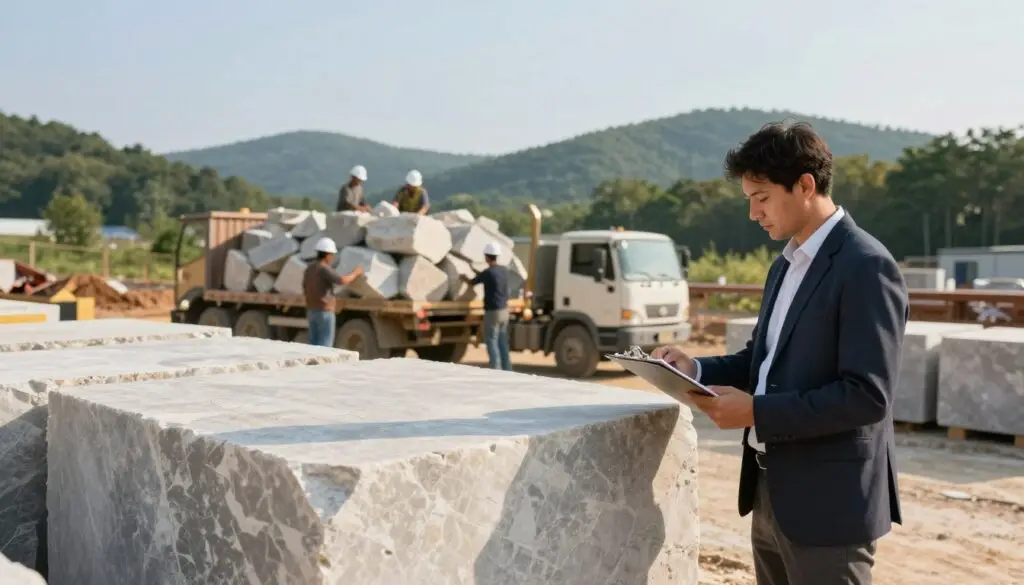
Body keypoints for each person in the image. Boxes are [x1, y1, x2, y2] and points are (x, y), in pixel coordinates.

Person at [652, 121, 909, 585]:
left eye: (762, 197)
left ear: (805, 186)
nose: (754, 213)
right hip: (771, 492)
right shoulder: (785, 265)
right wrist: (694, 367)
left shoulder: (866, 266)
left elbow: (867, 396)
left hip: (830, 505)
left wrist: (756, 412)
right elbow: (763, 360)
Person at [302, 237, 364, 347]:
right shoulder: (324, 268)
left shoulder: (309, 268)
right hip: (324, 312)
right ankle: (323, 365)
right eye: (332, 255)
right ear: (327, 255)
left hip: (311, 310)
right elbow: (341, 280)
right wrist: (355, 273)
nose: (332, 258)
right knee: (325, 346)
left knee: (313, 345)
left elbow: (304, 286)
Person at [471, 241, 511, 370]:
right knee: (503, 341)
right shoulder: (504, 270)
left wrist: (463, 278)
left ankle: (496, 369)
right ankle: (507, 369)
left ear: (487, 257)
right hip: (505, 310)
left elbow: (473, 282)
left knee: (492, 341)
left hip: (493, 311)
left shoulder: (488, 272)